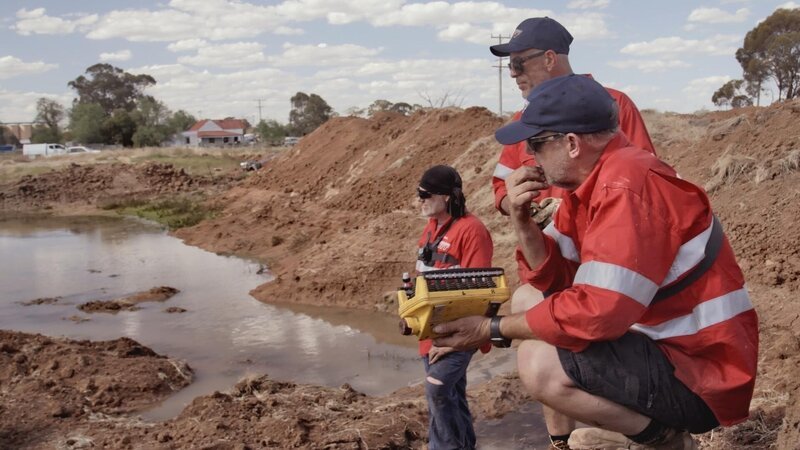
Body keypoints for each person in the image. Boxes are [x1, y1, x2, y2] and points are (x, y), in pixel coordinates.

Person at [432, 75, 759, 450]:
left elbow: (597, 314)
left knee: (540, 364)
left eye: (536, 144)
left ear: (571, 144)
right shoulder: (592, 185)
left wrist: (492, 329)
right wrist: (522, 221)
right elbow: (552, 280)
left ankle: (664, 441)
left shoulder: (626, 187)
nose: (530, 157)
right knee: (528, 300)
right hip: (667, 346)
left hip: (703, 373)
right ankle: (633, 431)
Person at [489, 17, 656, 216]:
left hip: (605, 238)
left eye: (518, 64)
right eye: (510, 66)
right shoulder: (522, 122)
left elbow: (644, 179)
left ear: (549, 59)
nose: (513, 74)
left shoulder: (616, 105)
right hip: (544, 245)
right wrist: (520, 207)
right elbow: (501, 188)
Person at [413, 165, 493, 450]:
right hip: (431, 332)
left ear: (447, 197)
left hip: (459, 333)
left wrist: (457, 344)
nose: (419, 199)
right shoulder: (431, 228)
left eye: (425, 193)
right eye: (419, 193)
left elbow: (481, 292)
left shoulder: (472, 231)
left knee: (437, 389)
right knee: (452, 396)